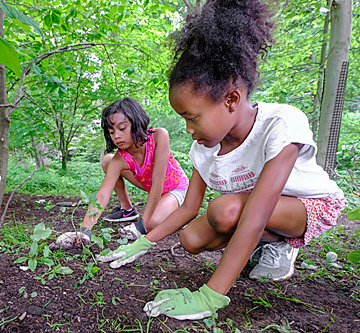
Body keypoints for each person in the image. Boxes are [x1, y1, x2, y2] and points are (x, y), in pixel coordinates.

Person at [97, 0, 345, 321]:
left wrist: (209, 295)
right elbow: (188, 208)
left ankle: (281, 246)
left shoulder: (281, 124)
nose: (188, 129)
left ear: (231, 99)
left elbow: (257, 213)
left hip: (309, 207)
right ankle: (261, 247)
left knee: (225, 209)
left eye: (192, 117)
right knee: (191, 237)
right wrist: (142, 242)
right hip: (255, 210)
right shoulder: (204, 148)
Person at [50, 97, 189, 250]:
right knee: (108, 161)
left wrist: (143, 224)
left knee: (152, 222)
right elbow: (102, 194)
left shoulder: (159, 136)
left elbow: (158, 182)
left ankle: (179, 214)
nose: (116, 136)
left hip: (176, 188)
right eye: (111, 131)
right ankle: (128, 210)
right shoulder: (120, 159)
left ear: (136, 123)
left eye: (122, 128)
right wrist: (84, 230)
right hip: (150, 187)